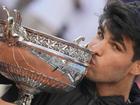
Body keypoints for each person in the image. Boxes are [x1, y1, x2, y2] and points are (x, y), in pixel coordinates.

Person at [1, 0, 140, 105]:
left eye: (116, 47)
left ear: (137, 66)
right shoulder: (59, 72)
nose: (95, 49)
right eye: (100, 35)